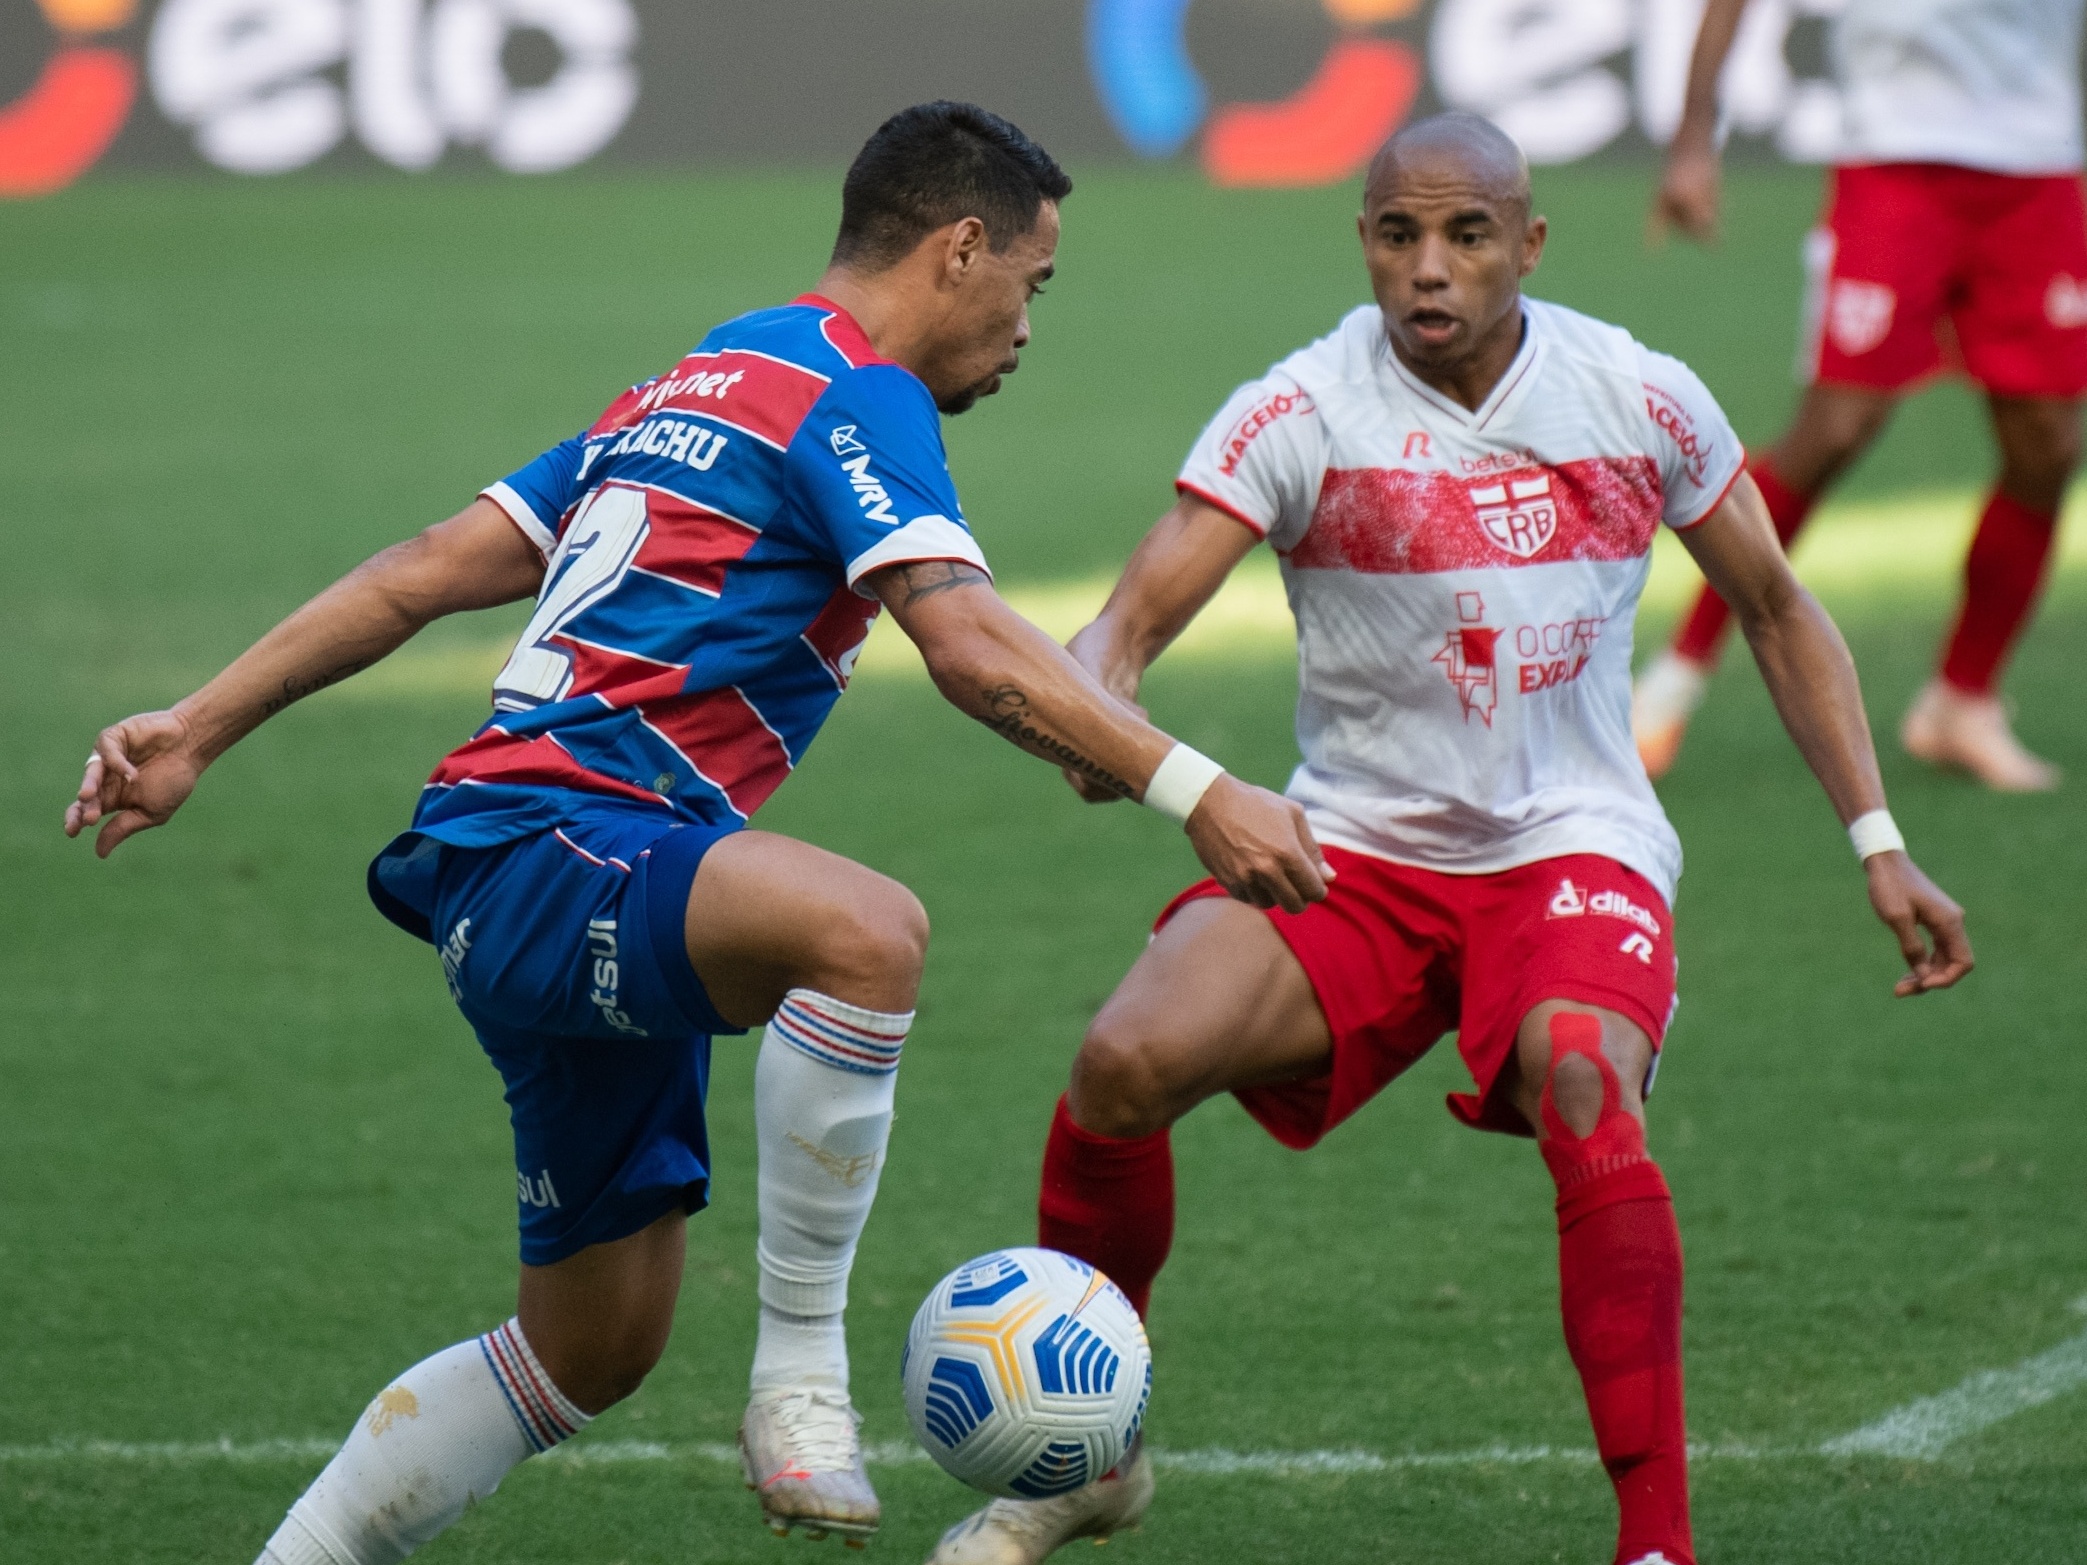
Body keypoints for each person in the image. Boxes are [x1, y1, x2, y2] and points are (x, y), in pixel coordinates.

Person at [63, 102, 1331, 1563]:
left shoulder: (707, 372)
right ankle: (799, 1383)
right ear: (960, 247)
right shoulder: (856, 390)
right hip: (560, 841)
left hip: (545, 870)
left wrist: (197, 726)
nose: (1027, 326)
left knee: (585, 1351)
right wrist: (1197, 788)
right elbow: (969, 643)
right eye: (1029, 285)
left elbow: (426, 568)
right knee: (866, 935)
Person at [924, 113, 1974, 1565]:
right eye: (1395, 234)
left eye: (1463, 235)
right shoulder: (1295, 410)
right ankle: (1087, 1464)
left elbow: (1778, 608)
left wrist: (1875, 838)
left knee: (1581, 1078)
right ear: (1360, 238)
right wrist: (1096, 707)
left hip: (1570, 846)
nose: (1427, 268)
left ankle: (1655, 1544)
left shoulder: (1635, 395)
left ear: (1525, 243)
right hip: (1350, 851)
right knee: (1121, 1063)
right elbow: (1132, 613)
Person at [1634, 0, 2086, 790]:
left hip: (2037, 169)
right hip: (1893, 160)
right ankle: (1671, 677)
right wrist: (1691, 141)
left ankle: (1961, 701)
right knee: (1835, 429)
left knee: (2046, 442)